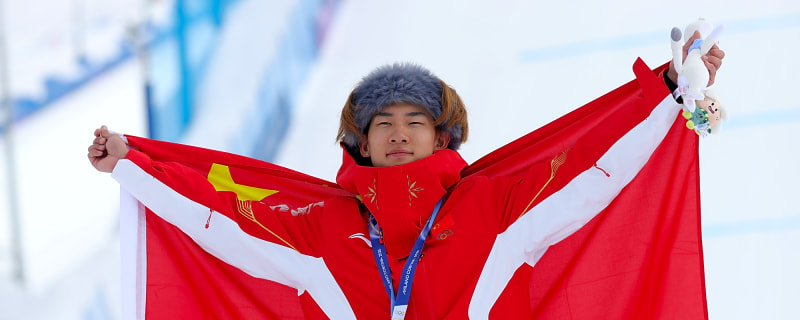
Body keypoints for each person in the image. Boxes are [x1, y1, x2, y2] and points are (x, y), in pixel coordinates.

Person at [89, 32, 724, 319]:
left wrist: (669, 91)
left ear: (441, 137)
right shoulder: (322, 227)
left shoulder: (490, 207)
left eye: (415, 120)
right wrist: (134, 167)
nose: (398, 132)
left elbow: (591, 169)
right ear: (359, 143)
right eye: (382, 123)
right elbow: (220, 218)